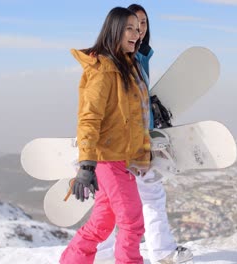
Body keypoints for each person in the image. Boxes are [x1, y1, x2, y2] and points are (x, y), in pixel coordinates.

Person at [97, 4, 194, 264]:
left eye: (144, 24)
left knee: (114, 203)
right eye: (133, 24)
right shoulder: (126, 58)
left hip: (136, 140)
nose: (140, 29)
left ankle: (105, 254)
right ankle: (158, 253)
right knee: (137, 199)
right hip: (124, 144)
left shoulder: (140, 56)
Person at [59, 7, 151, 264]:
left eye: (138, 28)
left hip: (120, 159)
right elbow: (89, 119)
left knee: (102, 223)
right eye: (129, 28)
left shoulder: (127, 65)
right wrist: (86, 165)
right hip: (109, 160)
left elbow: (133, 118)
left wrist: (142, 152)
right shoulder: (104, 70)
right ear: (114, 31)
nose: (137, 33)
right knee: (133, 223)